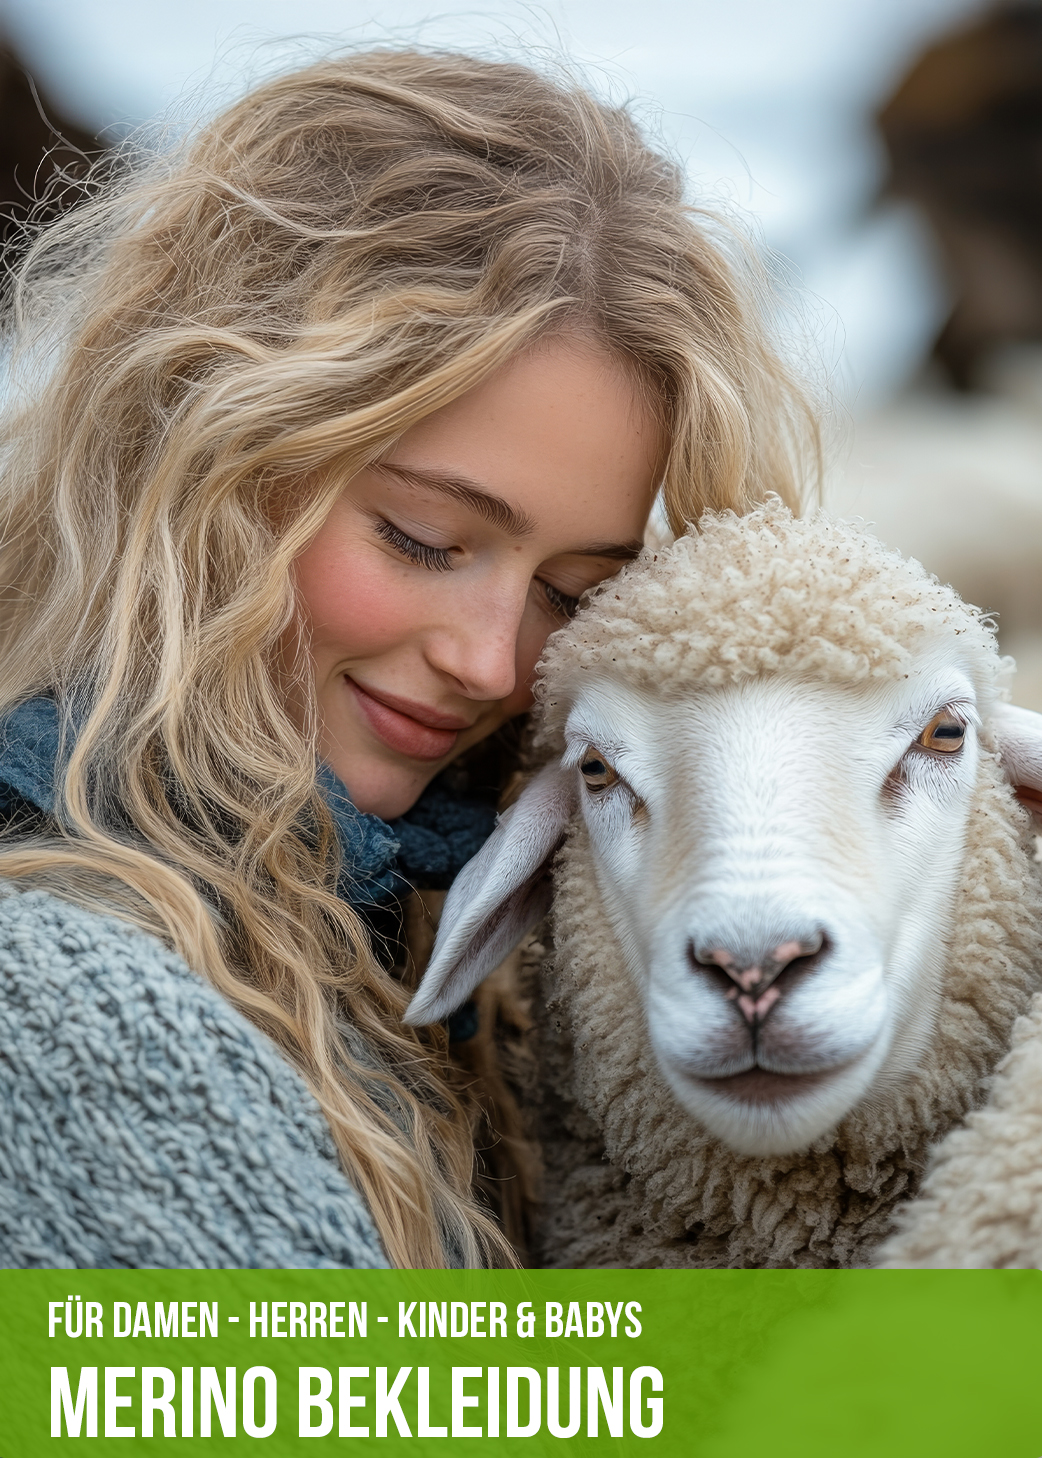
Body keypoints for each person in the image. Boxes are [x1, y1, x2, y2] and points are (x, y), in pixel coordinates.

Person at [0, 49, 816, 1269]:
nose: (493, 663)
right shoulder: (61, 999)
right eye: (424, 540)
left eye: (574, 591)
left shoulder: (504, 972)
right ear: (199, 453)